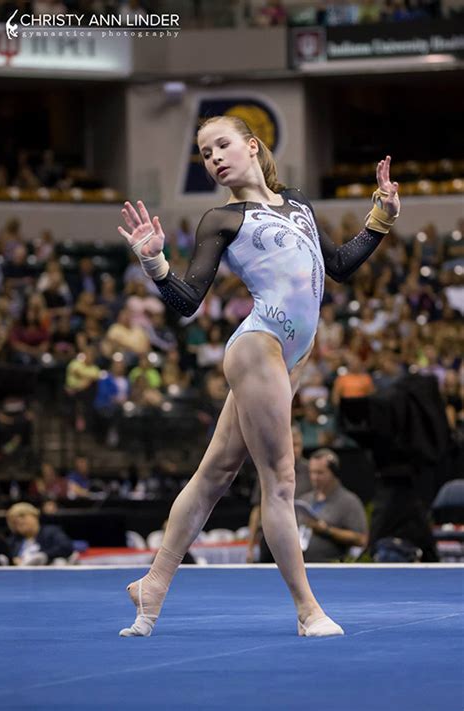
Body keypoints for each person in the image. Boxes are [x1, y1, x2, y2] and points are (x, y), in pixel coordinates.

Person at [117, 114, 400, 638]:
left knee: (214, 476)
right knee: (282, 480)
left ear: (251, 146)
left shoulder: (298, 204)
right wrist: (154, 263)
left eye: (222, 145)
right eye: (205, 153)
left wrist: (379, 220)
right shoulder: (222, 220)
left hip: (291, 357)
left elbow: (336, 266)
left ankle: (152, 584)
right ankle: (308, 610)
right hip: (259, 344)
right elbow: (186, 302)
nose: (214, 157)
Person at [247, 426, 311, 563]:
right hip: (271, 537)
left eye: (298, 444)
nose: (295, 449)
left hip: (301, 538)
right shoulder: (267, 471)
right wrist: (250, 547)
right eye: (291, 444)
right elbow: (257, 510)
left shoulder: (311, 472)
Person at [296, 449, 368, 562]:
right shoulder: (304, 499)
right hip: (299, 564)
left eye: (320, 473)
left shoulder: (349, 502)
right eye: (312, 472)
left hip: (329, 565)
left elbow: (361, 539)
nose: (314, 477)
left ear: (333, 473)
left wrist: (327, 531)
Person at [6, 502, 73, 566]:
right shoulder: (13, 541)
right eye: (14, 522)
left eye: (22, 516)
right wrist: (14, 560)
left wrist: (44, 555)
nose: (19, 521)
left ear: (35, 516)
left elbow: (66, 547)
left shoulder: (51, 532)